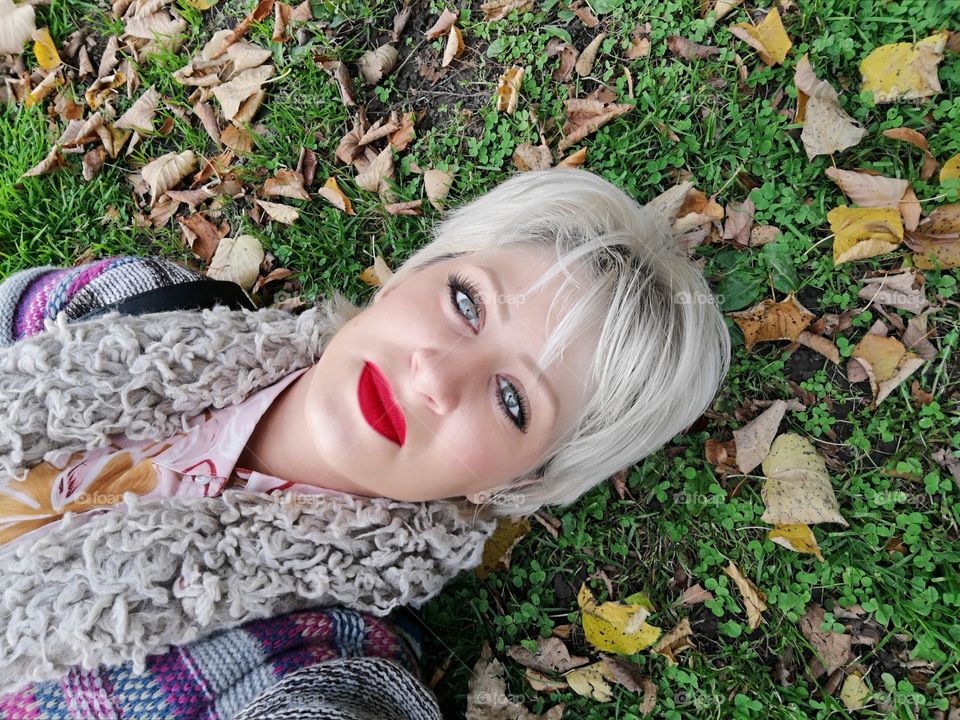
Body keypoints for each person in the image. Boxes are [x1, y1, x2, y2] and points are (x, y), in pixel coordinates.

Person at [0, 167, 730, 714]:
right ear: (413, 274)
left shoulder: (320, 659)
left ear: (519, 483)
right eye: (466, 301)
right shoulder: (134, 299)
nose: (434, 377)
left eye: (513, 400)